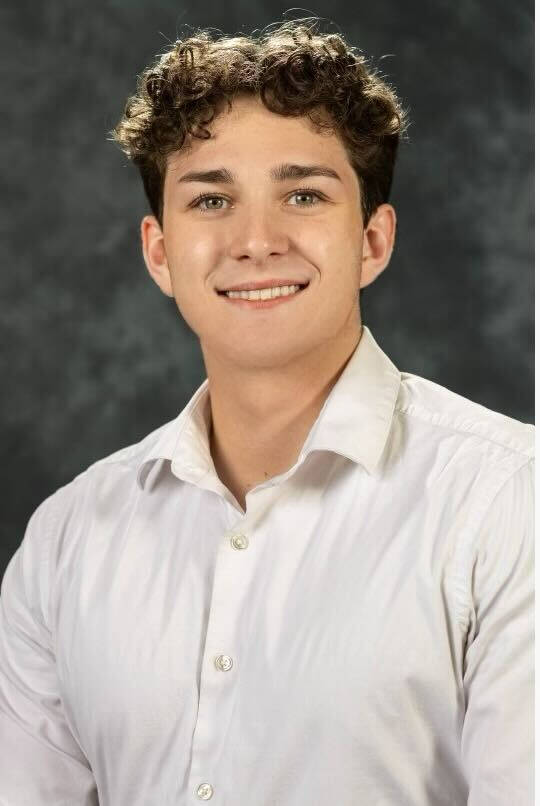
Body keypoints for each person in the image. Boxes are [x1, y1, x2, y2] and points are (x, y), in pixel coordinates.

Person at [0, 18, 533, 806]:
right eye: (212, 198)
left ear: (373, 242)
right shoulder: (66, 541)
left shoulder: (508, 503)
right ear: (159, 253)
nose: (256, 240)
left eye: (304, 194)